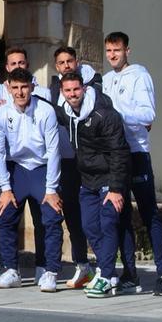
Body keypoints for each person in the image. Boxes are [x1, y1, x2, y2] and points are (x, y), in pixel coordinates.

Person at [102, 31, 162, 296]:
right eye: (109, 51)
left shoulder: (140, 75)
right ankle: (130, 274)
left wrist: (116, 114)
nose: (112, 55)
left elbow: (148, 114)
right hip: (114, 156)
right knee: (120, 215)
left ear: (127, 51)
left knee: (148, 212)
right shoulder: (105, 80)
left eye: (117, 50)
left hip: (136, 153)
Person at [52, 71, 131, 299]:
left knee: (107, 224)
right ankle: (109, 273)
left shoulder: (105, 114)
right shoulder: (67, 113)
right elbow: (45, 109)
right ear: (62, 92)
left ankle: (105, 276)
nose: (72, 94)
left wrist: (116, 189)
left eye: (76, 89)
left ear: (84, 89)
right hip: (87, 180)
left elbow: (119, 152)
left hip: (109, 180)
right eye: (68, 91)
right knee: (89, 226)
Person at [0, 68, 63, 291]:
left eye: (24, 87)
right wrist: (5, 188)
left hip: (42, 168)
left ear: (32, 86)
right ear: (9, 88)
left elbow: (54, 151)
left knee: (51, 217)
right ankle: (11, 270)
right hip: (17, 169)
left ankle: (49, 271)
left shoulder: (46, 111)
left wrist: (51, 189)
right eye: (15, 88)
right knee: (6, 215)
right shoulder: (0, 114)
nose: (20, 92)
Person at [42, 45, 98, 289]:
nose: (66, 65)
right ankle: (82, 265)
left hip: (87, 161)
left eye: (70, 61)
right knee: (72, 216)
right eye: (62, 62)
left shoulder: (91, 88)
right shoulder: (53, 89)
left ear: (77, 62)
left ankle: (107, 268)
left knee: (91, 217)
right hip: (63, 161)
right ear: (56, 66)